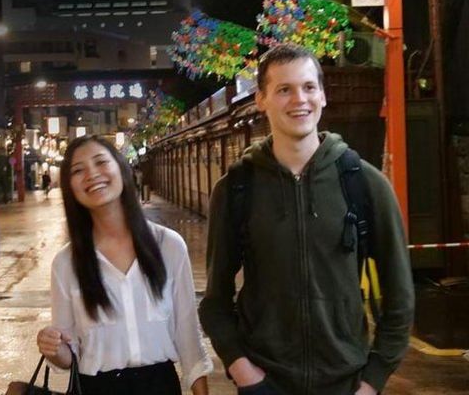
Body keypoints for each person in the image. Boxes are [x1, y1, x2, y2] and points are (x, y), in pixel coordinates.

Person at [198, 44, 414, 395]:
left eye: (309, 87)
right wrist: (242, 369)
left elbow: (400, 296)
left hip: (346, 381)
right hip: (265, 383)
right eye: (284, 89)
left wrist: (373, 381)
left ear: (323, 96)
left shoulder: (364, 183)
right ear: (261, 99)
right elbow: (215, 302)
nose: (300, 99)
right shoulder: (237, 189)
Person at [36, 135, 213, 395]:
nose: (92, 175)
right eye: (78, 170)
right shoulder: (66, 264)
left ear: (122, 169)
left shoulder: (168, 246)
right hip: (95, 388)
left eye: (100, 162)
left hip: (160, 385)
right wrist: (52, 346)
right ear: (69, 187)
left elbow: (188, 337)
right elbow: (68, 356)